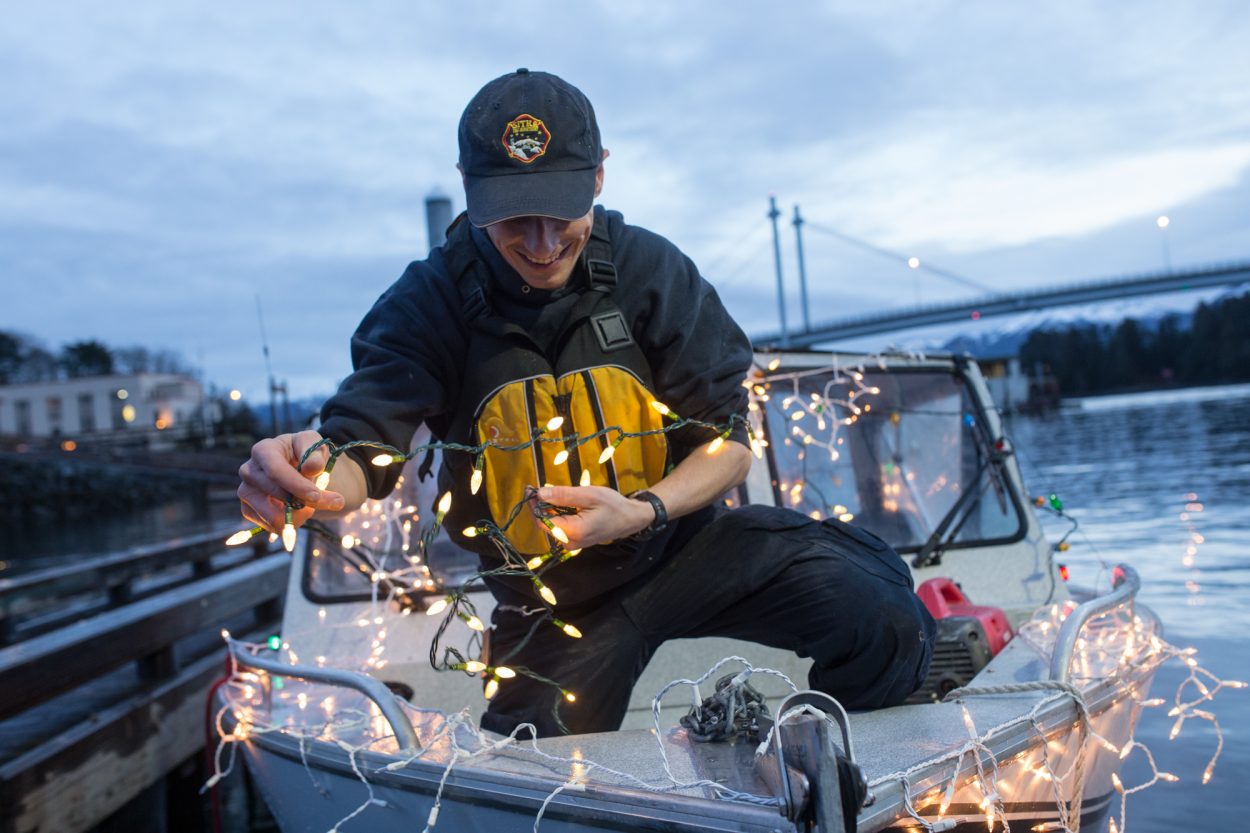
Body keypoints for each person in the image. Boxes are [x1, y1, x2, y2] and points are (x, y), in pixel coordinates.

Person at [237, 68, 936, 738]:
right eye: (516, 217)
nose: (542, 245)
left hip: (686, 548)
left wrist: (642, 509)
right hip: (551, 601)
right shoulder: (428, 303)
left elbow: (729, 440)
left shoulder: (651, 271)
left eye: (562, 212)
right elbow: (363, 446)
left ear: (599, 176)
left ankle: (831, 779)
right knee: (535, 782)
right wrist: (311, 476)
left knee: (880, 610)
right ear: (470, 190)